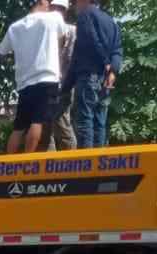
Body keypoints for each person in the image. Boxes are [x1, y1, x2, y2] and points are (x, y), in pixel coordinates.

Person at [0, 0, 67, 155]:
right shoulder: (53, 18)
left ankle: (8, 162)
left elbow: (0, 53)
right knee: (38, 121)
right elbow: (63, 35)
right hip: (46, 78)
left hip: (24, 83)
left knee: (19, 127)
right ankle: (27, 159)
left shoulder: (15, 27)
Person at [67, 0, 123, 149]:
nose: (73, 5)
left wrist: (66, 85)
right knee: (100, 122)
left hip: (89, 75)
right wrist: (112, 72)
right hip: (106, 80)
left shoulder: (85, 16)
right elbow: (117, 50)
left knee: (85, 121)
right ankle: (99, 164)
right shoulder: (111, 21)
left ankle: (86, 165)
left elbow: (89, 43)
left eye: (75, 1)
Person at [42, 0, 78, 151]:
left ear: (65, 11)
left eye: (59, 9)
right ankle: (49, 166)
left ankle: (72, 163)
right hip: (45, 83)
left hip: (63, 83)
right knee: (45, 127)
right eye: (54, 8)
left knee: (61, 125)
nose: (56, 11)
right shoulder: (43, 30)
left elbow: (71, 58)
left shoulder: (72, 30)